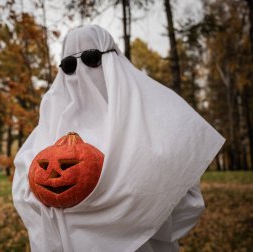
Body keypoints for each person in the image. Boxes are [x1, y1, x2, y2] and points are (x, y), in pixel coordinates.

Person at [12, 25, 224, 252]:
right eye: (69, 65)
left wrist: (136, 209)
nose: (81, 71)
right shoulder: (49, 126)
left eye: (91, 58)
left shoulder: (154, 119)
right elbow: (27, 188)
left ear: (112, 59)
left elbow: (184, 196)